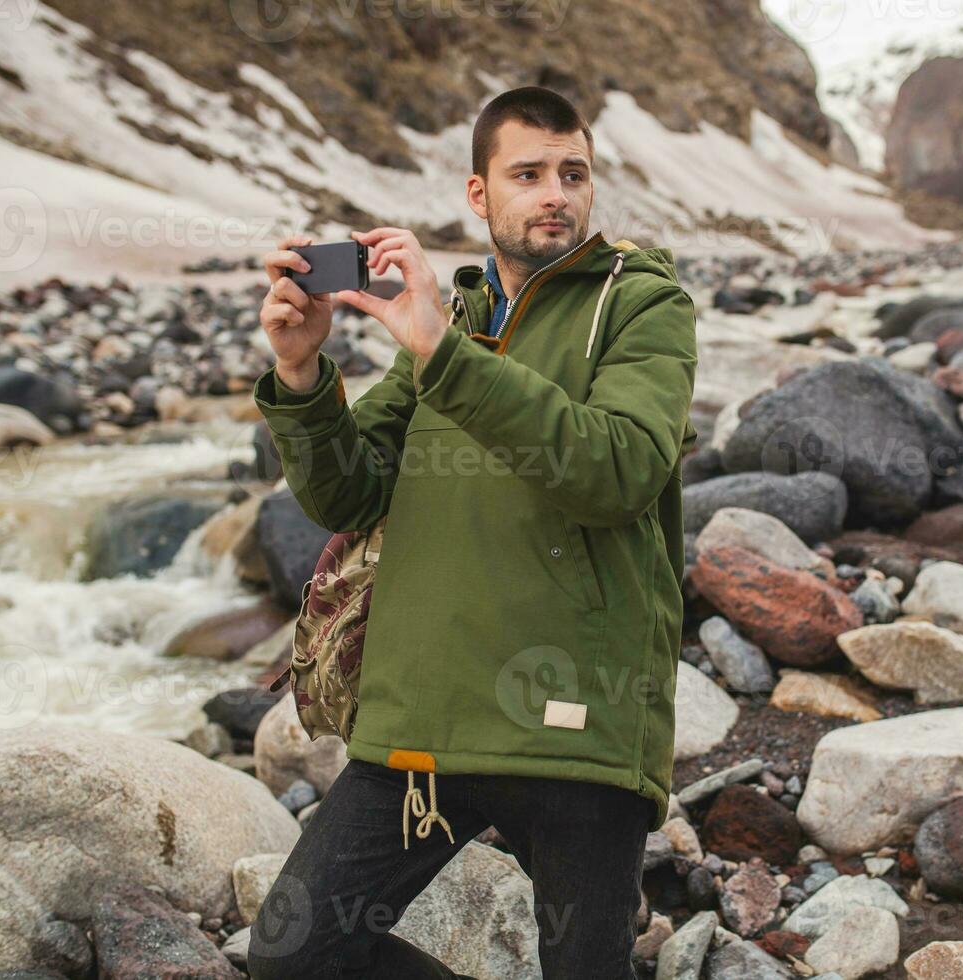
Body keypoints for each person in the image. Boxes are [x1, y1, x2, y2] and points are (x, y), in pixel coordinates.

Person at [245, 86, 698, 979]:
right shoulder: (459, 320)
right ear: (478, 195)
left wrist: (440, 354)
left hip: (579, 722)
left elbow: (618, 471)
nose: (555, 193)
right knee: (294, 956)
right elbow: (349, 492)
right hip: (428, 718)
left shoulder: (642, 305)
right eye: (527, 174)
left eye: (573, 173)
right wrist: (301, 374)